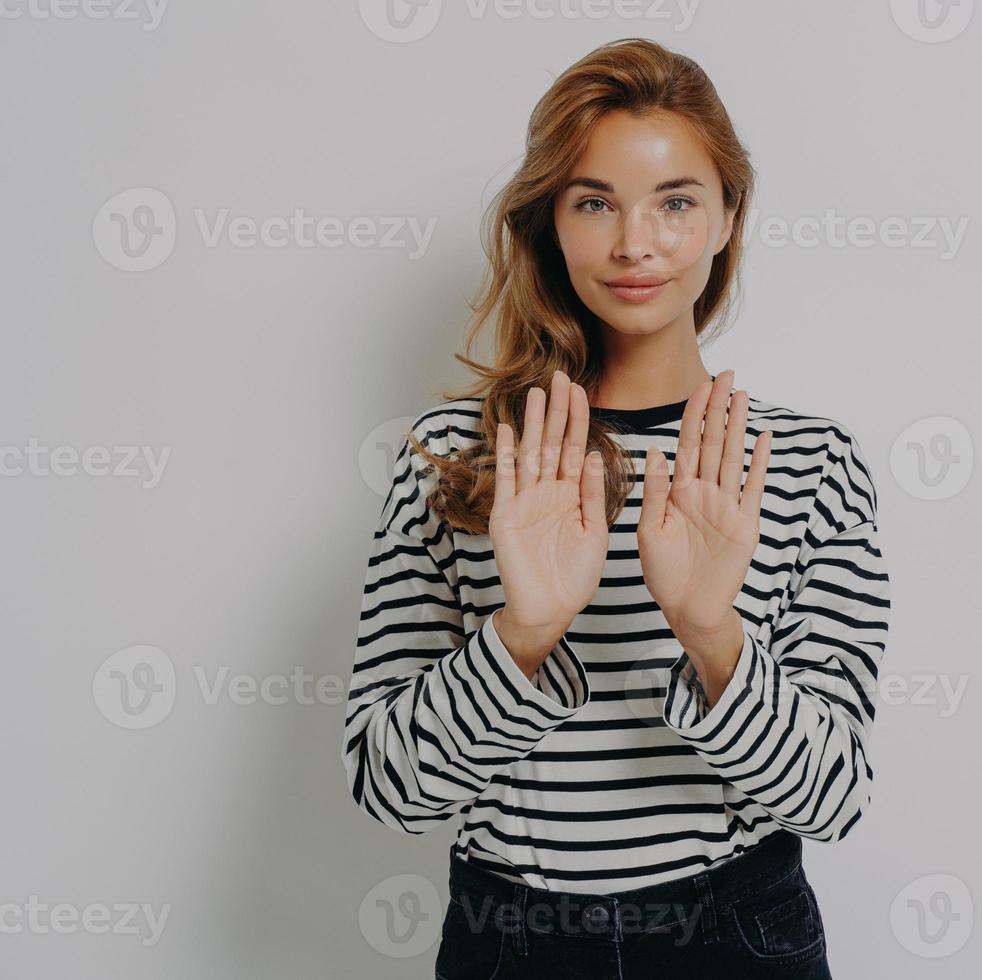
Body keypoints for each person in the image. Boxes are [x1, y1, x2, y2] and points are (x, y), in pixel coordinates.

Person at [341, 37, 890, 979]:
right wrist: (524, 630)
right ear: (549, 221)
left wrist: (711, 632)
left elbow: (833, 798)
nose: (636, 243)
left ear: (727, 218)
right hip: (512, 938)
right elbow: (391, 789)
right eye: (595, 202)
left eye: (676, 202)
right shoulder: (456, 458)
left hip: (739, 935)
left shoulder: (805, 462)